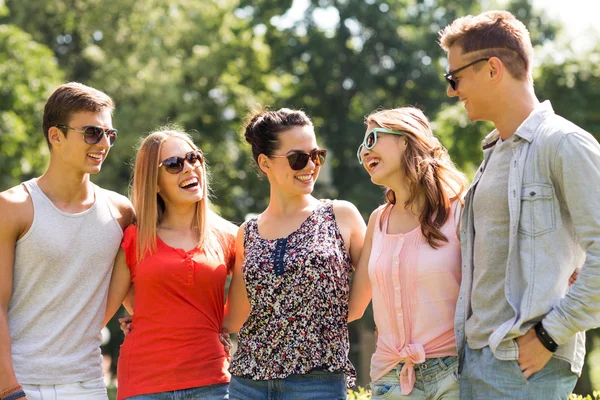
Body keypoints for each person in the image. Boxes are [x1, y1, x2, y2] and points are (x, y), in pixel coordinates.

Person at [438, 10, 600, 399]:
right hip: (476, 361)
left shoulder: (563, 143)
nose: (451, 91)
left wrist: (549, 335)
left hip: (524, 369)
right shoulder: (494, 153)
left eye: (454, 77)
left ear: (493, 68)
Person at [0, 82, 134, 400]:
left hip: (87, 384)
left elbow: (137, 286)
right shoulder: (13, 207)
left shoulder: (121, 212)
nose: (103, 143)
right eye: (92, 133)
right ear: (56, 136)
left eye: (109, 135)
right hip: (20, 382)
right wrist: (8, 388)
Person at [222, 107, 366, 399]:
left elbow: (363, 301)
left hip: (318, 383)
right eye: (298, 158)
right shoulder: (247, 233)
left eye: (316, 155)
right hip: (247, 384)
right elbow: (234, 317)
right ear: (265, 163)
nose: (311, 166)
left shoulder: (341, 215)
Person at [103, 128, 237, 400]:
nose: (188, 168)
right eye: (174, 165)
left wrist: (221, 325)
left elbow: (258, 292)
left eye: (193, 158)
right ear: (154, 183)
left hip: (213, 382)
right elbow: (102, 311)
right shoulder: (134, 238)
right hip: (144, 385)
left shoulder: (230, 236)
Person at [349, 107, 469, 399]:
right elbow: (352, 306)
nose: (365, 152)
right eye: (361, 147)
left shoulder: (461, 208)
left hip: (453, 374)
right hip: (390, 378)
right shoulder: (378, 220)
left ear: (406, 139)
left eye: (372, 139)